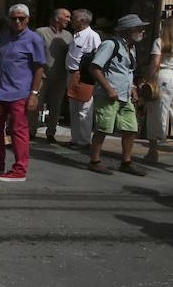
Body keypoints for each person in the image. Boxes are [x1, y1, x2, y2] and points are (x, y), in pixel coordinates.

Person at [0, 4, 45, 183]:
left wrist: (34, 93)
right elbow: (0, 63)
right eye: (14, 18)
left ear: (28, 19)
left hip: (20, 94)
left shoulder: (34, 39)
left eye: (21, 18)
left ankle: (19, 169)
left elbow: (39, 68)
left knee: (18, 131)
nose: (17, 21)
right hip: (0, 92)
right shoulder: (5, 37)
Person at [87, 14, 149, 176]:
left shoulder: (131, 48)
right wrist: (109, 89)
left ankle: (126, 162)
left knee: (131, 128)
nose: (142, 31)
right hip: (109, 95)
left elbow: (127, 72)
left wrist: (133, 89)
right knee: (103, 128)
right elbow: (95, 68)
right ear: (127, 30)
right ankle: (95, 161)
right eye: (138, 28)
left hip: (124, 95)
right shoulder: (110, 44)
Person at [31, 8, 72, 143]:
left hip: (60, 77)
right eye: (66, 16)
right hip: (42, 76)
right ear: (56, 18)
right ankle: (31, 131)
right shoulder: (41, 33)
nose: (69, 20)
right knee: (36, 104)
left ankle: (51, 133)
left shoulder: (68, 36)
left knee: (55, 106)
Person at [65, 9, 102, 149]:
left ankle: (84, 141)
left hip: (83, 76)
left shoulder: (92, 36)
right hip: (71, 75)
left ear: (82, 20)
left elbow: (97, 57)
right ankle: (75, 139)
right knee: (73, 109)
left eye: (73, 18)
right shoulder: (76, 35)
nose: (70, 21)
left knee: (84, 109)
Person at [145, 18, 173, 163]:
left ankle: (153, 150)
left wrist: (147, 80)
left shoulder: (160, 41)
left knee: (154, 112)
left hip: (162, 77)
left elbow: (155, 63)